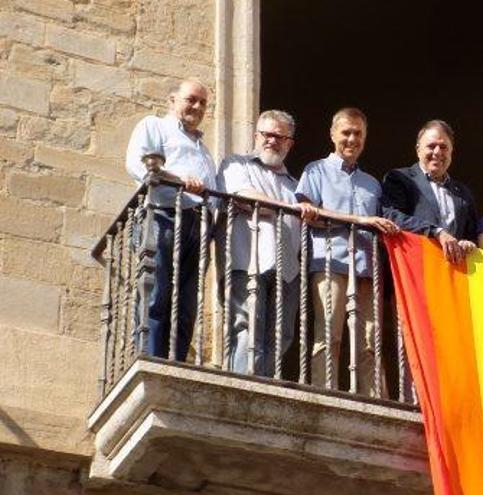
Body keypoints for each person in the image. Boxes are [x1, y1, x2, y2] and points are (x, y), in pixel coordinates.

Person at [295, 108, 398, 395]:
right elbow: (309, 213)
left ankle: (376, 400)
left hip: (366, 267)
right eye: (346, 133)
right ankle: (322, 394)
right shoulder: (315, 171)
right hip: (330, 261)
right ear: (333, 135)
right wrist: (360, 221)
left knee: (369, 341)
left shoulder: (372, 184)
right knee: (329, 335)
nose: (352, 139)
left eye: (358, 134)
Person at [217, 110, 317, 377]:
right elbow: (245, 197)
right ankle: (240, 388)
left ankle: (263, 386)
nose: (271, 141)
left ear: (289, 143)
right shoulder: (236, 164)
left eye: (279, 136)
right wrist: (289, 207)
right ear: (256, 136)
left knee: (281, 336)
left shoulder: (295, 185)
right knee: (247, 326)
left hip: (287, 270)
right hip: (247, 260)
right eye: (266, 135)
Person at [124, 78, 216, 360]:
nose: (198, 106)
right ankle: (149, 357)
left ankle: (174, 361)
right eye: (192, 99)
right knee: (156, 296)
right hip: (163, 217)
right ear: (172, 100)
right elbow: (139, 165)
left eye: (203, 103)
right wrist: (179, 181)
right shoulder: (154, 126)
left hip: (196, 227)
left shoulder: (204, 149)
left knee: (186, 306)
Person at [381, 119, 478, 263]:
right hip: (416, 269)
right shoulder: (399, 179)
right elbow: (391, 216)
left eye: (443, 147)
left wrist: (468, 243)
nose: (437, 152)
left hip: (454, 274)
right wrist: (435, 232)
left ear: (451, 152)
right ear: (418, 149)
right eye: (431, 146)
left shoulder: (463, 193)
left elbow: (472, 234)